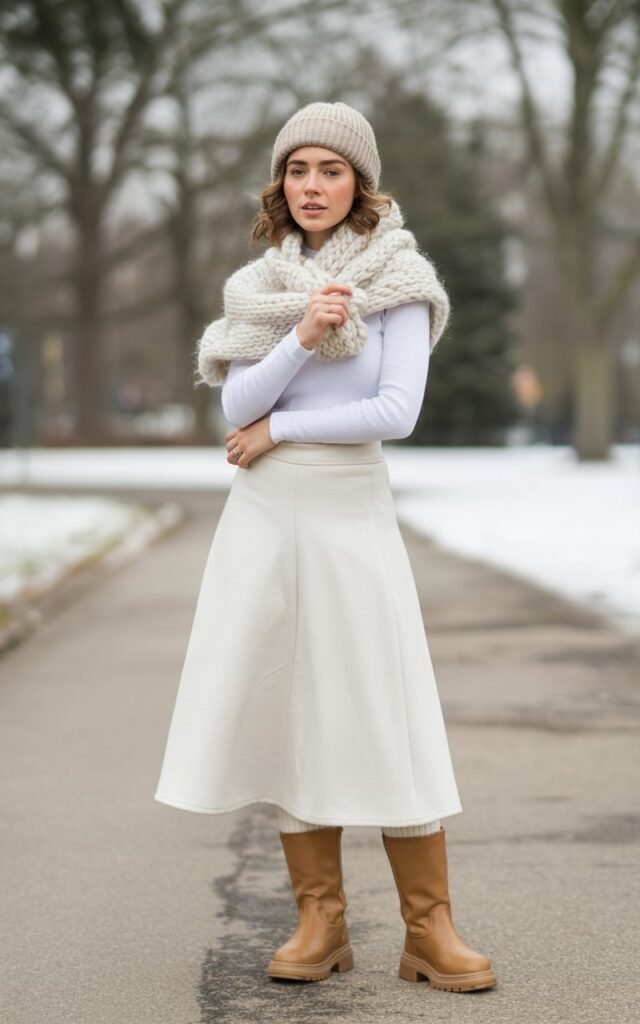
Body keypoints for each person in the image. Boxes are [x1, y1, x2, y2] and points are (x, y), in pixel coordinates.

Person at [154, 101, 496, 993]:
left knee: (383, 709)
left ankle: (430, 930)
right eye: (298, 170)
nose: (313, 186)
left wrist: (281, 430)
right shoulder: (257, 289)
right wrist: (304, 334)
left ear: (360, 183)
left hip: (350, 517)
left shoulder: (402, 281)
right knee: (290, 710)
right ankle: (321, 923)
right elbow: (236, 405)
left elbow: (395, 411)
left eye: (331, 171)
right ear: (281, 184)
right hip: (266, 522)